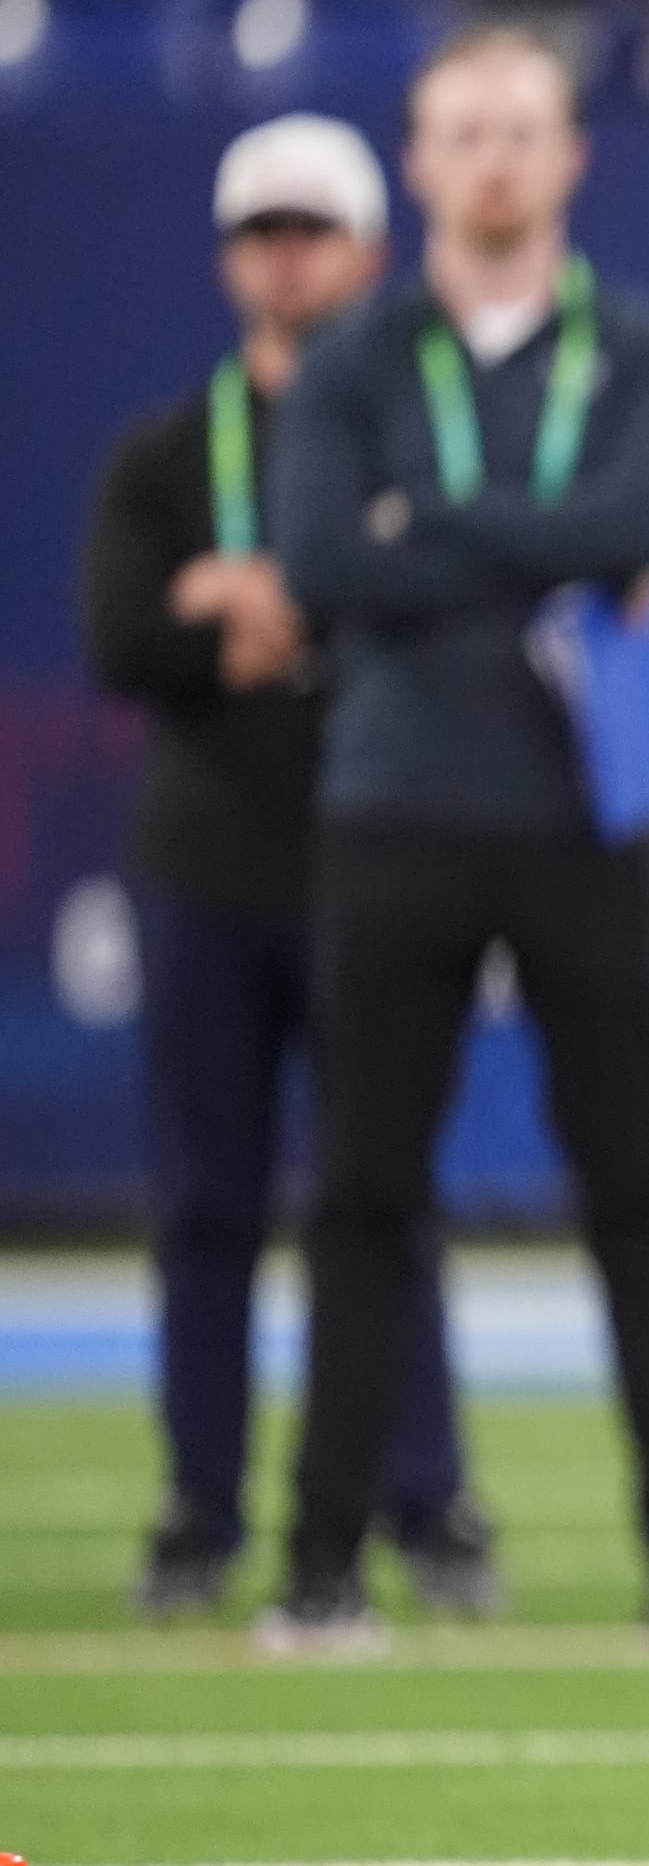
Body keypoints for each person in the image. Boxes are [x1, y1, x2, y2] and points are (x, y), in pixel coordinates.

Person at [260, 28, 649, 1650]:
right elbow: (322, 558)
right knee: (363, 1195)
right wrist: (536, 555)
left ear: (569, 157)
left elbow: (637, 515)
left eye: (522, 130)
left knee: (641, 1196)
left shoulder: (648, 348)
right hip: (392, 812)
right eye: (463, 132)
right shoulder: (354, 361)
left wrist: (430, 530)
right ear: (415, 160)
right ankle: (318, 1575)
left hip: (585, 819)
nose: (493, 160)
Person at [77, 113, 497, 1623]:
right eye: (262, 231)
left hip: (379, 861)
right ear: (225, 257)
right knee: (205, 1206)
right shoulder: (168, 448)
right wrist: (240, 617)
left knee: (383, 1200)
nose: (286, 256)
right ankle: (199, 1509)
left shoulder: (413, 427)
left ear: (369, 251)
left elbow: (453, 590)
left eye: (310, 229)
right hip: (208, 870)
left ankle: (426, 1498)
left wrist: (279, 591)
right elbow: (122, 636)